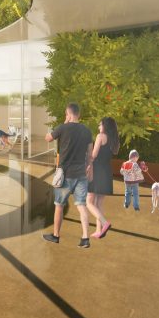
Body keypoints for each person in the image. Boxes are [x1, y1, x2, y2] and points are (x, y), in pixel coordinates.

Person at [43, 103, 105, 248]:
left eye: (66, 114)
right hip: (81, 174)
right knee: (82, 205)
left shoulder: (62, 128)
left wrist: (64, 124)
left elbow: (48, 138)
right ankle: (85, 239)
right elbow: (90, 155)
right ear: (79, 114)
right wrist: (88, 167)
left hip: (64, 175)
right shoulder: (86, 131)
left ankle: (56, 236)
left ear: (68, 114)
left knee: (59, 205)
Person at [87, 117, 118, 237]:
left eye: (100, 125)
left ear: (105, 126)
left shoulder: (100, 136)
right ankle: (99, 231)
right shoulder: (113, 140)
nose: (99, 127)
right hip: (106, 172)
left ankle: (105, 223)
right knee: (98, 203)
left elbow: (94, 155)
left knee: (89, 202)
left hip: (97, 171)